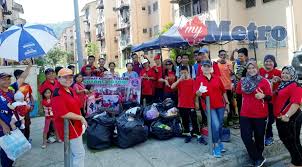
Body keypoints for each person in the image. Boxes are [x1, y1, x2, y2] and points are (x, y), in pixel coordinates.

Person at [236, 60, 272, 167]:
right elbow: (238, 96)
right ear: (246, 70)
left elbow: (270, 97)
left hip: (260, 114)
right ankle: (258, 157)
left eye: (253, 68)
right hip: (245, 114)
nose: (251, 70)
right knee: (245, 136)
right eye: (249, 68)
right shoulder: (242, 82)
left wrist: (263, 96)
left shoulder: (264, 81)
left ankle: (257, 157)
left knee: (259, 137)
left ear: (257, 68)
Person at [52, 68, 87, 167]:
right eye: (65, 77)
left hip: (75, 125)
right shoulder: (57, 93)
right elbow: (62, 113)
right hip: (69, 127)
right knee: (79, 154)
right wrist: (81, 118)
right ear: (58, 78)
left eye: (70, 77)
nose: (68, 79)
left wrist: (80, 116)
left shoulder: (70, 89)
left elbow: (76, 105)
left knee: (74, 154)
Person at [195, 60, 230, 158]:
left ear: (211, 68)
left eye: (208, 66)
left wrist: (227, 102)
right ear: (201, 68)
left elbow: (223, 91)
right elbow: (196, 93)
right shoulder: (198, 79)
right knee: (215, 125)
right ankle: (216, 145)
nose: (206, 68)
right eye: (204, 66)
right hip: (209, 106)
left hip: (220, 105)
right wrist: (199, 91)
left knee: (219, 125)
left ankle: (218, 141)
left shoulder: (217, 78)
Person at [0, 60, 31, 167]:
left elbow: (22, 78)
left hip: (15, 125)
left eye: (8, 79)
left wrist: (29, 65)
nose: (7, 81)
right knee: (5, 152)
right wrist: (3, 125)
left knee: (14, 150)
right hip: (3, 128)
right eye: (3, 79)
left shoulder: (12, 89)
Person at [274, 66, 302, 167]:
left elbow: (296, 103)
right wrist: (277, 80)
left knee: (291, 141)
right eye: (283, 73)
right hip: (282, 117)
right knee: (292, 140)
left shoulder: (295, 85)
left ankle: (297, 163)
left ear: (292, 74)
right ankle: (298, 160)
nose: (284, 75)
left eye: (287, 73)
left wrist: (287, 115)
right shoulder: (284, 84)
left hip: (290, 118)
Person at [171, 66, 202, 144]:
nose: (183, 74)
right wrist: (179, 80)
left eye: (185, 72)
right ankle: (188, 135)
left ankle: (198, 135)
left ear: (188, 72)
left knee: (194, 120)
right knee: (185, 121)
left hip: (191, 104)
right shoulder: (180, 81)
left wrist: (197, 102)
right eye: (182, 73)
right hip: (182, 104)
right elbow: (172, 87)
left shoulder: (192, 81)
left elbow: (196, 93)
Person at [259, 55, 281, 146]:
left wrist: (279, 80)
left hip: (274, 100)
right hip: (262, 99)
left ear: (274, 62)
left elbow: (284, 84)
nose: (268, 63)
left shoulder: (278, 72)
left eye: (270, 61)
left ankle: (269, 136)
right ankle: (265, 136)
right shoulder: (260, 71)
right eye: (266, 61)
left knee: (270, 120)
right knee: (263, 119)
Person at [10, 69, 34, 140]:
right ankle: (20, 140)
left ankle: (27, 139)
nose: (24, 77)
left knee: (27, 124)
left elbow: (30, 95)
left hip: (27, 108)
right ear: (17, 77)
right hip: (17, 110)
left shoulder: (27, 85)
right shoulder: (13, 86)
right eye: (22, 75)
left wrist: (32, 105)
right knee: (19, 124)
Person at [216, 50, 235, 127]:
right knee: (220, 104)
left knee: (229, 103)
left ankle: (230, 119)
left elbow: (232, 75)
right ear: (219, 56)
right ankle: (221, 119)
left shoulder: (229, 64)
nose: (223, 56)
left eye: (224, 54)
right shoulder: (216, 64)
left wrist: (231, 71)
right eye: (221, 55)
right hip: (219, 88)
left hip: (228, 87)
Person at [233, 48, 249, 129]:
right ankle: (241, 122)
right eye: (238, 56)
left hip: (244, 91)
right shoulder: (238, 65)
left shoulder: (247, 66)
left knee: (243, 107)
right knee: (239, 106)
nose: (239, 58)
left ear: (246, 56)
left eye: (241, 56)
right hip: (238, 89)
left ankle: (244, 123)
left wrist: (234, 74)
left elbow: (242, 78)